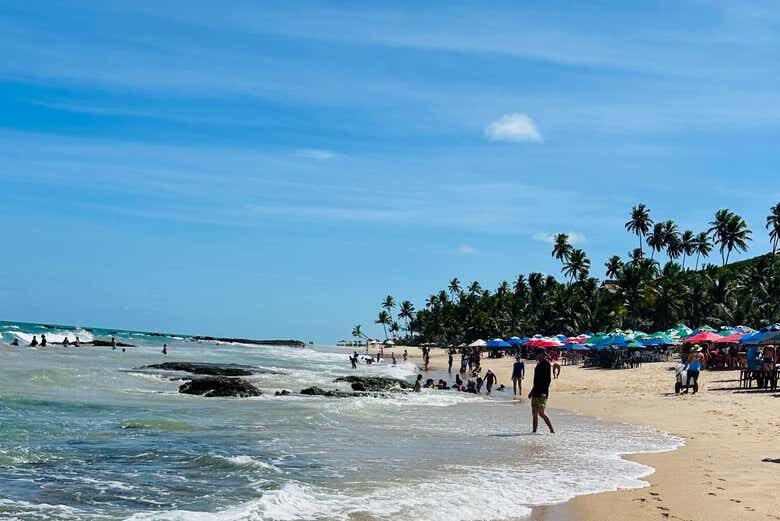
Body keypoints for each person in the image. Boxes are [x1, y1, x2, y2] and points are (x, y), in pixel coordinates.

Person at [529, 350, 555, 434]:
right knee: (534, 413)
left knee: (541, 413)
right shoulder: (538, 364)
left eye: (538, 354)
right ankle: (534, 432)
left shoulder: (546, 364)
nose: (536, 355)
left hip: (542, 392)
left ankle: (552, 430)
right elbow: (536, 381)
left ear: (541, 354)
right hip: (535, 391)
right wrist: (531, 391)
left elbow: (548, 380)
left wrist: (544, 393)